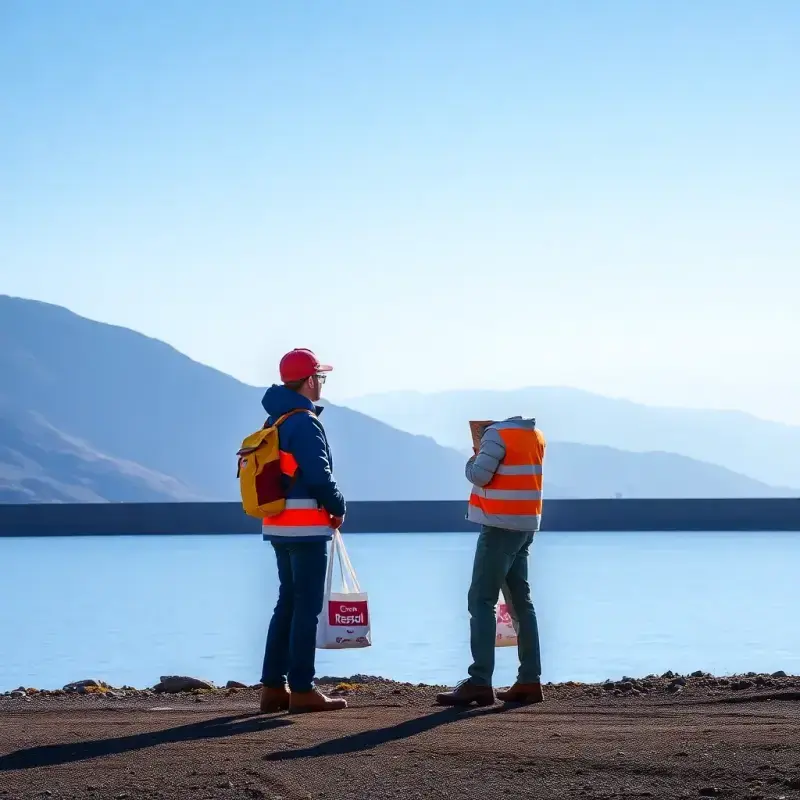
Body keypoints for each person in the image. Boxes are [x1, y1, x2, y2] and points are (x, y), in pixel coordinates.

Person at [258, 348, 348, 714]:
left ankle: (273, 689)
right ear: (310, 380)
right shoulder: (305, 423)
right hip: (306, 528)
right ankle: (302, 689)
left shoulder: (273, 422)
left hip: (278, 525)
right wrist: (339, 506)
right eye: (320, 377)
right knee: (306, 608)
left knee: (287, 603)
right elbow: (318, 475)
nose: (321, 383)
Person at [436, 416, 546, 707]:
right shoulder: (534, 435)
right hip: (526, 524)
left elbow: (479, 475)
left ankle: (480, 682)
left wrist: (473, 457)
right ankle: (529, 680)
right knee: (521, 602)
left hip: (499, 525)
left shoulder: (495, 435)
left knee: (481, 600)